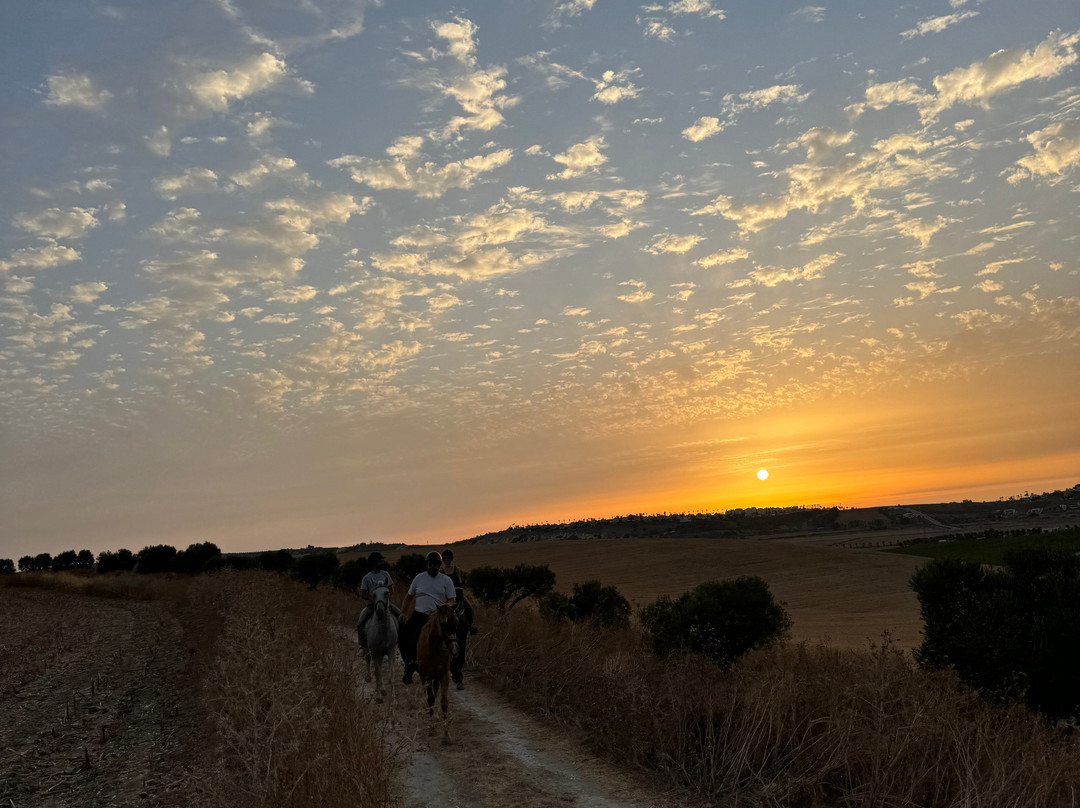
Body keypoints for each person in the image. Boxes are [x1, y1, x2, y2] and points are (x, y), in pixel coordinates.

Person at [399, 551, 456, 684]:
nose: (432, 567)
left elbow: (452, 600)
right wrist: (403, 612)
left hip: (437, 615)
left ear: (439, 565)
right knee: (404, 636)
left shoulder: (446, 580)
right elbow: (409, 596)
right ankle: (409, 665)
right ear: (426, 565)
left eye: (435, 564)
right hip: (419, 614)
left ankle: (454, 664)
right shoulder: (419, 578)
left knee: (454, 634)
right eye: (430, 564)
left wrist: (444, 607)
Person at [356, 552, 397, 656]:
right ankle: (363, 646)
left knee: (401, 617)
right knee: (360, 623)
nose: (382, 562)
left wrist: (386, 598)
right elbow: (363, 593)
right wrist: (373, 599)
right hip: (372, 605)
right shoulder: (367, 578)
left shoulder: (385, 574)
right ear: (374, 563)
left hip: (386, 604)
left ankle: (400, 642)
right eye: (380, 561)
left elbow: (391, 588)